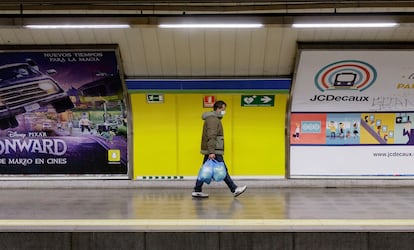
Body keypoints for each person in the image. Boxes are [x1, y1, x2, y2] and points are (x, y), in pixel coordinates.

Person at [192, 100, 247, 198]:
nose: (224, 112)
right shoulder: (213, 119)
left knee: (205, 169)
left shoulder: (213, 118)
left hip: (212, 149)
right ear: (218, 108)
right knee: (222, 169)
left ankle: (197, 190)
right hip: (214, 149)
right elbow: (211, 136)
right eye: (223, 109)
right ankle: (234, 189)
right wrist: (212, 151)